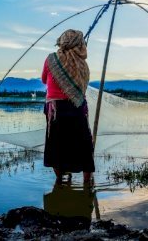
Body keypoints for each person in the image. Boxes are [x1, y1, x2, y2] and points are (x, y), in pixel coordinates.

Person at [41, 29, 95, 184]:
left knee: (56, 145)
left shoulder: (51, 59)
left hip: (55, 109)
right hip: (77, 107)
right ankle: (87, 183)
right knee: (84, 143)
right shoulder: (82, 63)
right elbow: (83, 85)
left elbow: (44, 80)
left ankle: (59, 180)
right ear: (79, 44)